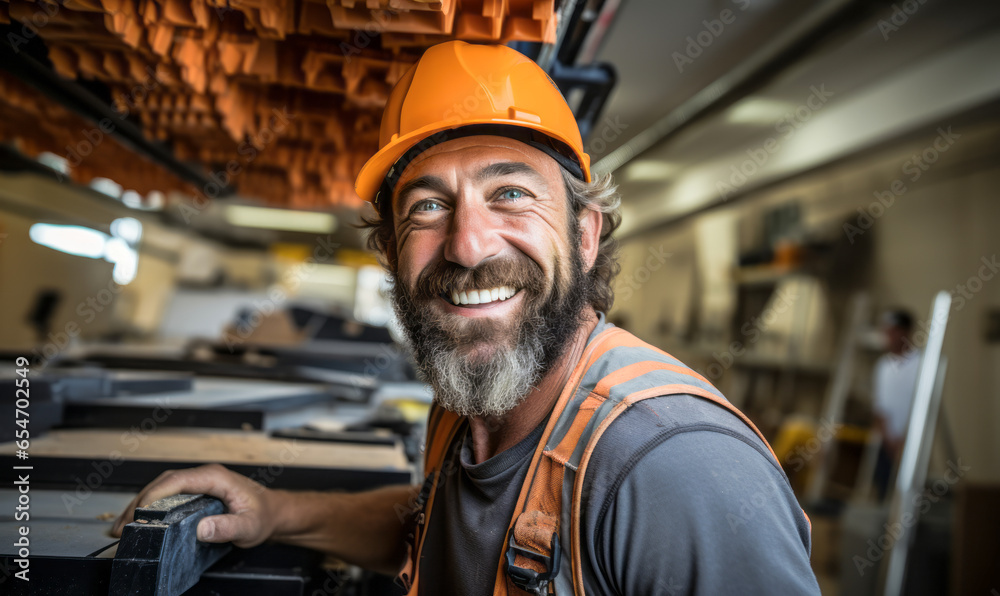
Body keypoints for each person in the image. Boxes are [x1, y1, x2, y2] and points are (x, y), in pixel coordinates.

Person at [114, 41, 819, 594]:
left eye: (509, 192)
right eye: (427, 206)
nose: (467, 244)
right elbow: (436, 523)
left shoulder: (672, 469)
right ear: (390, 251)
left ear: (584, 235)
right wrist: (275, 513)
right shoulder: (467, 407)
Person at [872, 308, 920, 501]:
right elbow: (880, 407)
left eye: (892, 332)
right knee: (883, 491)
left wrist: (905, 439)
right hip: (887, 443)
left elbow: (922, 406)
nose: (887, 337)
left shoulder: (920, 363)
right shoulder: (883, 366)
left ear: (904, 332)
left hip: (911, 443)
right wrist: (888, 439)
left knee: (907, 496)